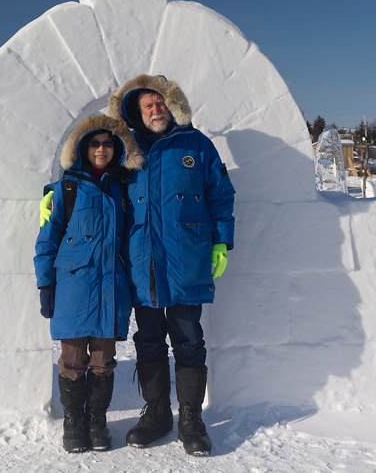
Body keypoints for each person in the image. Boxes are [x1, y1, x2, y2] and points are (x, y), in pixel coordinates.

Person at [108, 74, 235, 457]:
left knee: (187, 338)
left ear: (172, 104)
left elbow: (221, 194)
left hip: (187, 258)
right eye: (147, 105)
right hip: (142, 260)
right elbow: (91, 175)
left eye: (160, 102)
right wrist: (54, 196)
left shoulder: (196, 144)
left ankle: (191, 419)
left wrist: (221, 242)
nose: (155, 109)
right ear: (135, 111)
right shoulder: (125, 149)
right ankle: (158, 414)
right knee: (147, 339)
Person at [34, 114, 143, 453]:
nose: (101, 149)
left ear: (116, 148)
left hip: (110, 287)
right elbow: (47, 239)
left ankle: (96, 420)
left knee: (103, 359)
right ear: (83, 148)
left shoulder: (123, 187)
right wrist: (46, 285)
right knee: (72, 359)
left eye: (107, 144)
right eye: (94, 144)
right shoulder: (67, 187)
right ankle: (73, 421)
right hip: (74, 287)